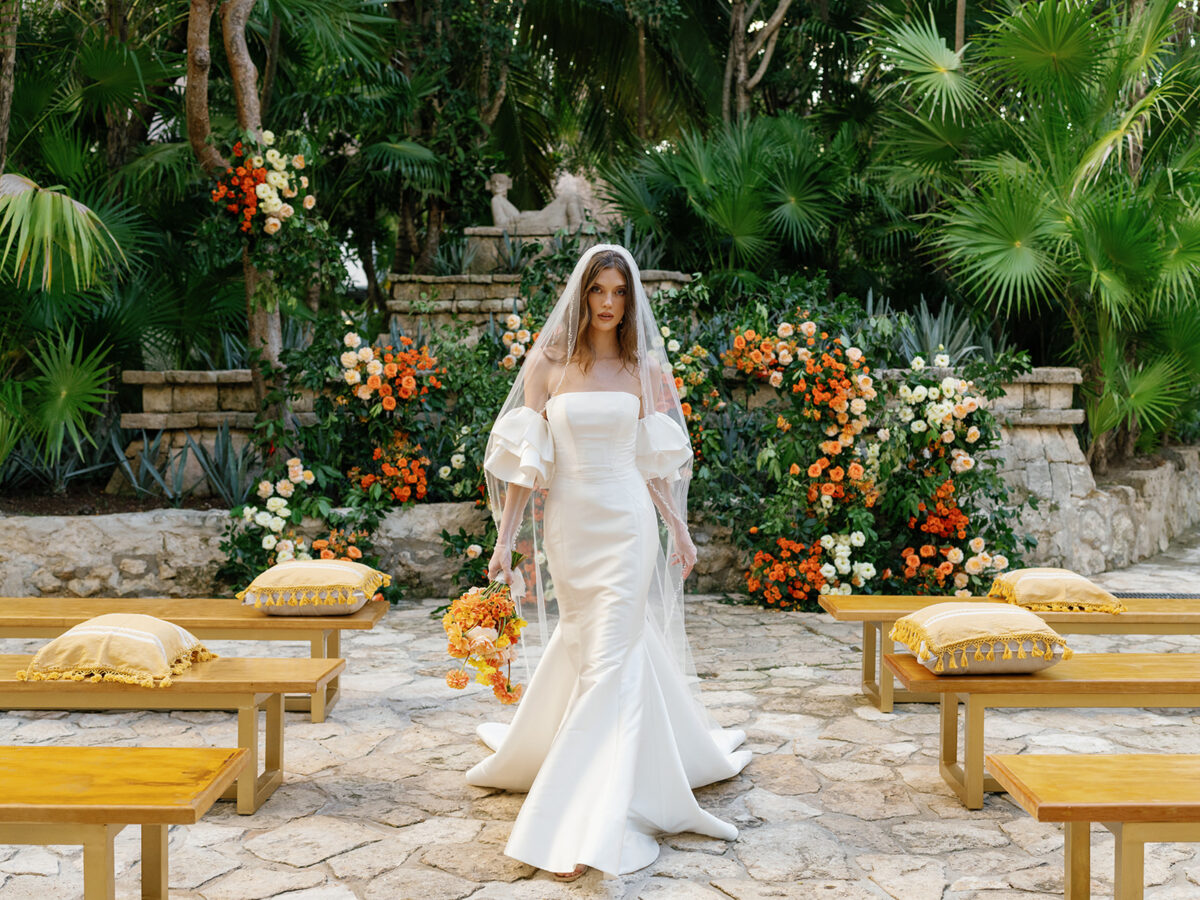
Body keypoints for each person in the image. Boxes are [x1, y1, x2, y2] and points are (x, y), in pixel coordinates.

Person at [464, 244, 751, 881]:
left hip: (627, 523)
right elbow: (524, 468)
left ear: (630, 301)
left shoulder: (642, 370)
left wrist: (677, 529)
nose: (609, 303)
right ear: (582, 294)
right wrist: (505, 541)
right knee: (595, 649)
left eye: (621, 293)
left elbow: (653, 464)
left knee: (611, 661)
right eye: (600, 291)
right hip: (569, 525)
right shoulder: (550, 363)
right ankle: (636, 768)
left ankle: (590, 815)